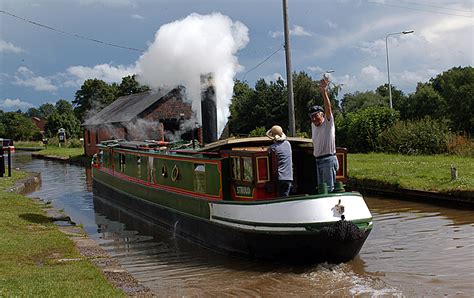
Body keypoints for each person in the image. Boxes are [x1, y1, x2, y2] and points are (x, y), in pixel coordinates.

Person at [309, 78, 339, 192]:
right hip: (318, 160)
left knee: (328, 188)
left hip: (328, 160)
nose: (314, 119)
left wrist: (324, 92)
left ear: (322, 115)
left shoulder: (328, 123)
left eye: (316, 116)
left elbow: (328, 108)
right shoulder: (313, 125)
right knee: (322, 188)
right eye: (312, 117)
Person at [266, 125, 293, 197]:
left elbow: (266, 154)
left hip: (280, 178)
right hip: (289, 177)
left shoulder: (272, 148)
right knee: (285, 197)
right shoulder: (288, 144)